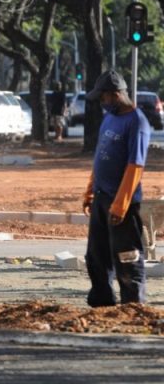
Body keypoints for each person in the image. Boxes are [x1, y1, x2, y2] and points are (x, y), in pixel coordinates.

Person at [82, 69, 150, 307]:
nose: (101, 102)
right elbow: (101, 156)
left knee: (127, 258)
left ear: (116, 94)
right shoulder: (109, 118)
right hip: (102, 198)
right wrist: (90, 191)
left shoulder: (137, 122)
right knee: (96, 257)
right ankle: (102, 303)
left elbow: (135, 166)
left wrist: (120, 205)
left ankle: (132, 307)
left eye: (103, 97)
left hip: (122, 203)